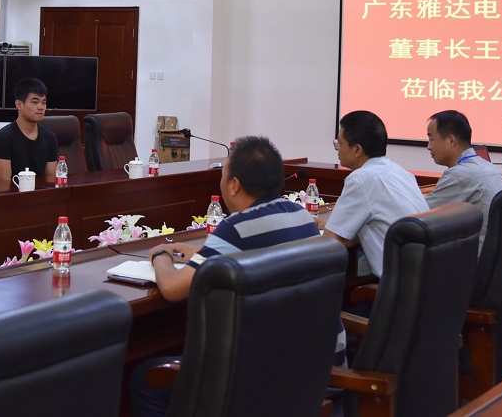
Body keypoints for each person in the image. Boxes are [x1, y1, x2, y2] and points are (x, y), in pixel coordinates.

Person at [131, 135, 346, 417]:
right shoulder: (301, 215)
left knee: (146, 378)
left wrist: (160, 255)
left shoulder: (237, 227)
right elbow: (262, 247)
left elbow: (172, 288)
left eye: (222, 175)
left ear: (233, 185)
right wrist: (202, 251)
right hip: (317, 371)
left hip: (269, 383)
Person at [318, 110, 428, 278]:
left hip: (399, 286)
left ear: (357, 149)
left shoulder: (361, 179)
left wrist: (326, 229)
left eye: (339, 142)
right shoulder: (399, 172)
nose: (337, 148)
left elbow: (332, 240)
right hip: (423, 276)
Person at [424, 109, 502, 249]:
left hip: (474, 256)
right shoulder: (488, 167)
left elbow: (421, 212)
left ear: (451, 140)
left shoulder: (458, 175)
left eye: (431, 139)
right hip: (494, 252)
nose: (428, 146)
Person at [0, 77, 58, 184]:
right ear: (19, 105)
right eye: (35, 102)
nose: (41, 107)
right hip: (12, 193)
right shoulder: (3, 138)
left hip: (41, 193)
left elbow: (50, 180)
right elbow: (4, 185)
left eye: (43, 102)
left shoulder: (50, 138)